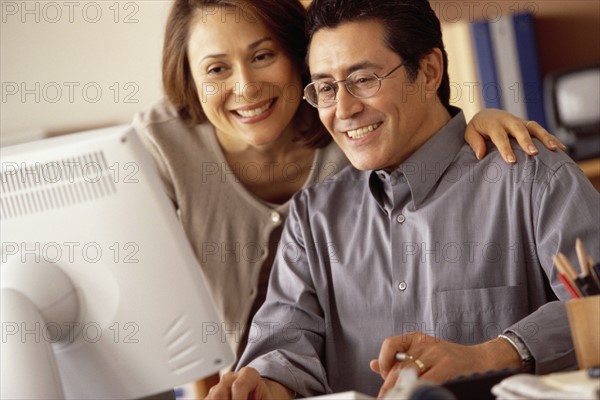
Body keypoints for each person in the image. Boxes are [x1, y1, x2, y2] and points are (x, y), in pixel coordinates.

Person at [131, 0, 565, 393]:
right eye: (325, 86)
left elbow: (593, 309)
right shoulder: (313, 215)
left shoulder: (530, 176)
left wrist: (488, 353)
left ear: (430, 71)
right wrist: (262, 387)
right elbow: (285, 347)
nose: (343, 108)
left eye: (363, 79)